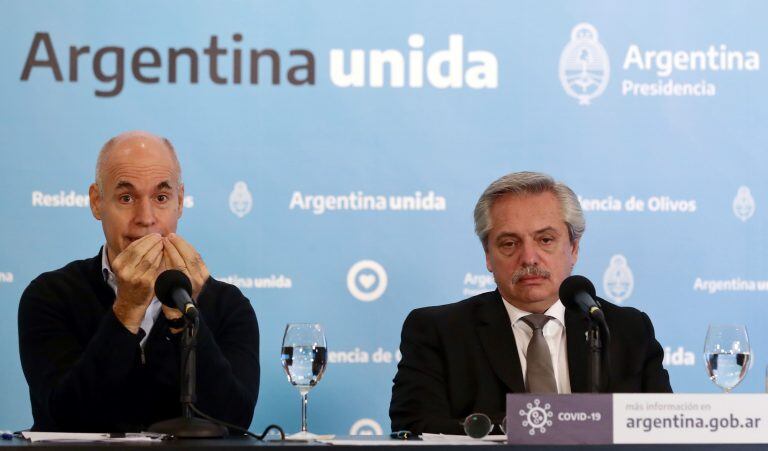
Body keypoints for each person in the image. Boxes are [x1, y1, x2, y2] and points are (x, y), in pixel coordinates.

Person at [389, 171, 671, 435]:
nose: (529, 258)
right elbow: (415, 428)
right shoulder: (438, 332)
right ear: (488, 255)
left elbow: (663, 430)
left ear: (573, 248)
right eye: (509, 243)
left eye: (545, 239)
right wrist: (537, 425)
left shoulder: (626, 328)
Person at [18, 131, 259, 432]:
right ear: (97, 202)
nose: (145, 218)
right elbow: (65, 416)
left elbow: (233, 421)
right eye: (126, 197)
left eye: (161, 197)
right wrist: (126, 310)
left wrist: (181, 315)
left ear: (180, 202)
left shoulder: (228, 305)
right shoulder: (49, 296)